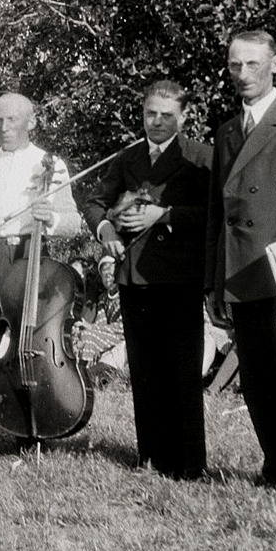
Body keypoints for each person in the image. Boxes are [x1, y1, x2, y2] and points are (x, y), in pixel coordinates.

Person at [205, 30, 276, 499]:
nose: (243, 75)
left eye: (253, 65)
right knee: (257, 380)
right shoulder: (227, 132)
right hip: (243, 274)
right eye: (235, 65)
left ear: (275, 64)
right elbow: (219, 215)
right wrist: (215, 284)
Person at [84, 80, 212, 479]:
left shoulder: (200, 158)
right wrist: (106, 232)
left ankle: (189, 464)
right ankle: (150, 456)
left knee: (182, 371)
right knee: (144, 369)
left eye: (166, 115)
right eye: (150, 114)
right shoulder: (129, 157)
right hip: (133, 277)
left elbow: (214, 214)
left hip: (179, 277)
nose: (156, 122)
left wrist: (165, 215)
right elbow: (94, 201)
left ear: (184, 116)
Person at [0, 92, 83, 446]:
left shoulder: (50, 163)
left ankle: (30, 430)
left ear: (31, 122)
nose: (3, 127)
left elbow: (74, 222)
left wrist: (53, 218)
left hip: (30, 256)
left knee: (29, 343)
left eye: (12, 120)